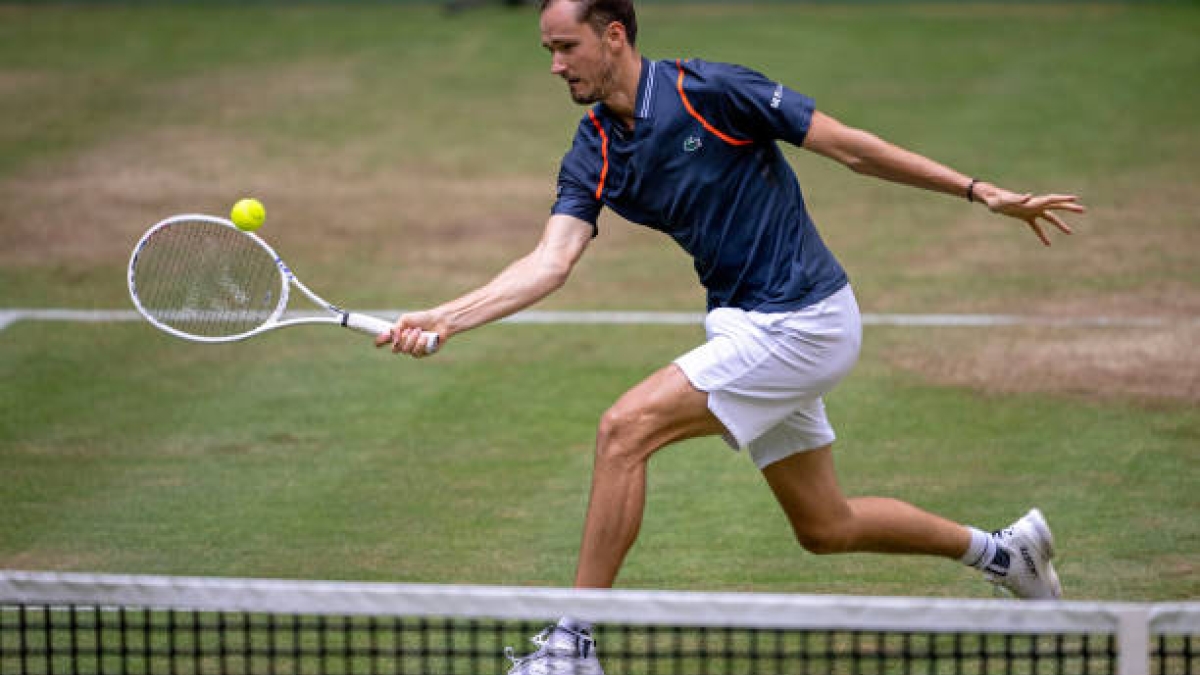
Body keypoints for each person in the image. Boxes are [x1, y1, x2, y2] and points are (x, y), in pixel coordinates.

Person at [377, 0, 1085, 672]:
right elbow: (550, 261)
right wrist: (447, 316)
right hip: (746, 322)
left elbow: (852, 149)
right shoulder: (595, 146)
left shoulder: (708, 92)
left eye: (566, 47)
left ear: (614, 35)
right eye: (550, 50)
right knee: (825, 524)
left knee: (624, 429)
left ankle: (573, 640)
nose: (556, 65)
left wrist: (978, 189)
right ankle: (1005, 553)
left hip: (805, 317)